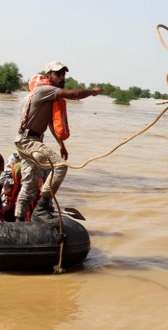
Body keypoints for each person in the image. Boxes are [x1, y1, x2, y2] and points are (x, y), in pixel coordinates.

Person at [14, 61, 103, 222]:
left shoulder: (49, 97)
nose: (62, 77)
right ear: (48, 76)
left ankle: (19, 220)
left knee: (30, 185)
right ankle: (42, 207)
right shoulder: (44, 90)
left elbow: (50, 124)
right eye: (58, 74)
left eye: (63, 74)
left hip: (27, 140)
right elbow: (74, 94)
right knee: (60, 166)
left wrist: (62, 145)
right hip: (28, 141)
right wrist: (92, 91)